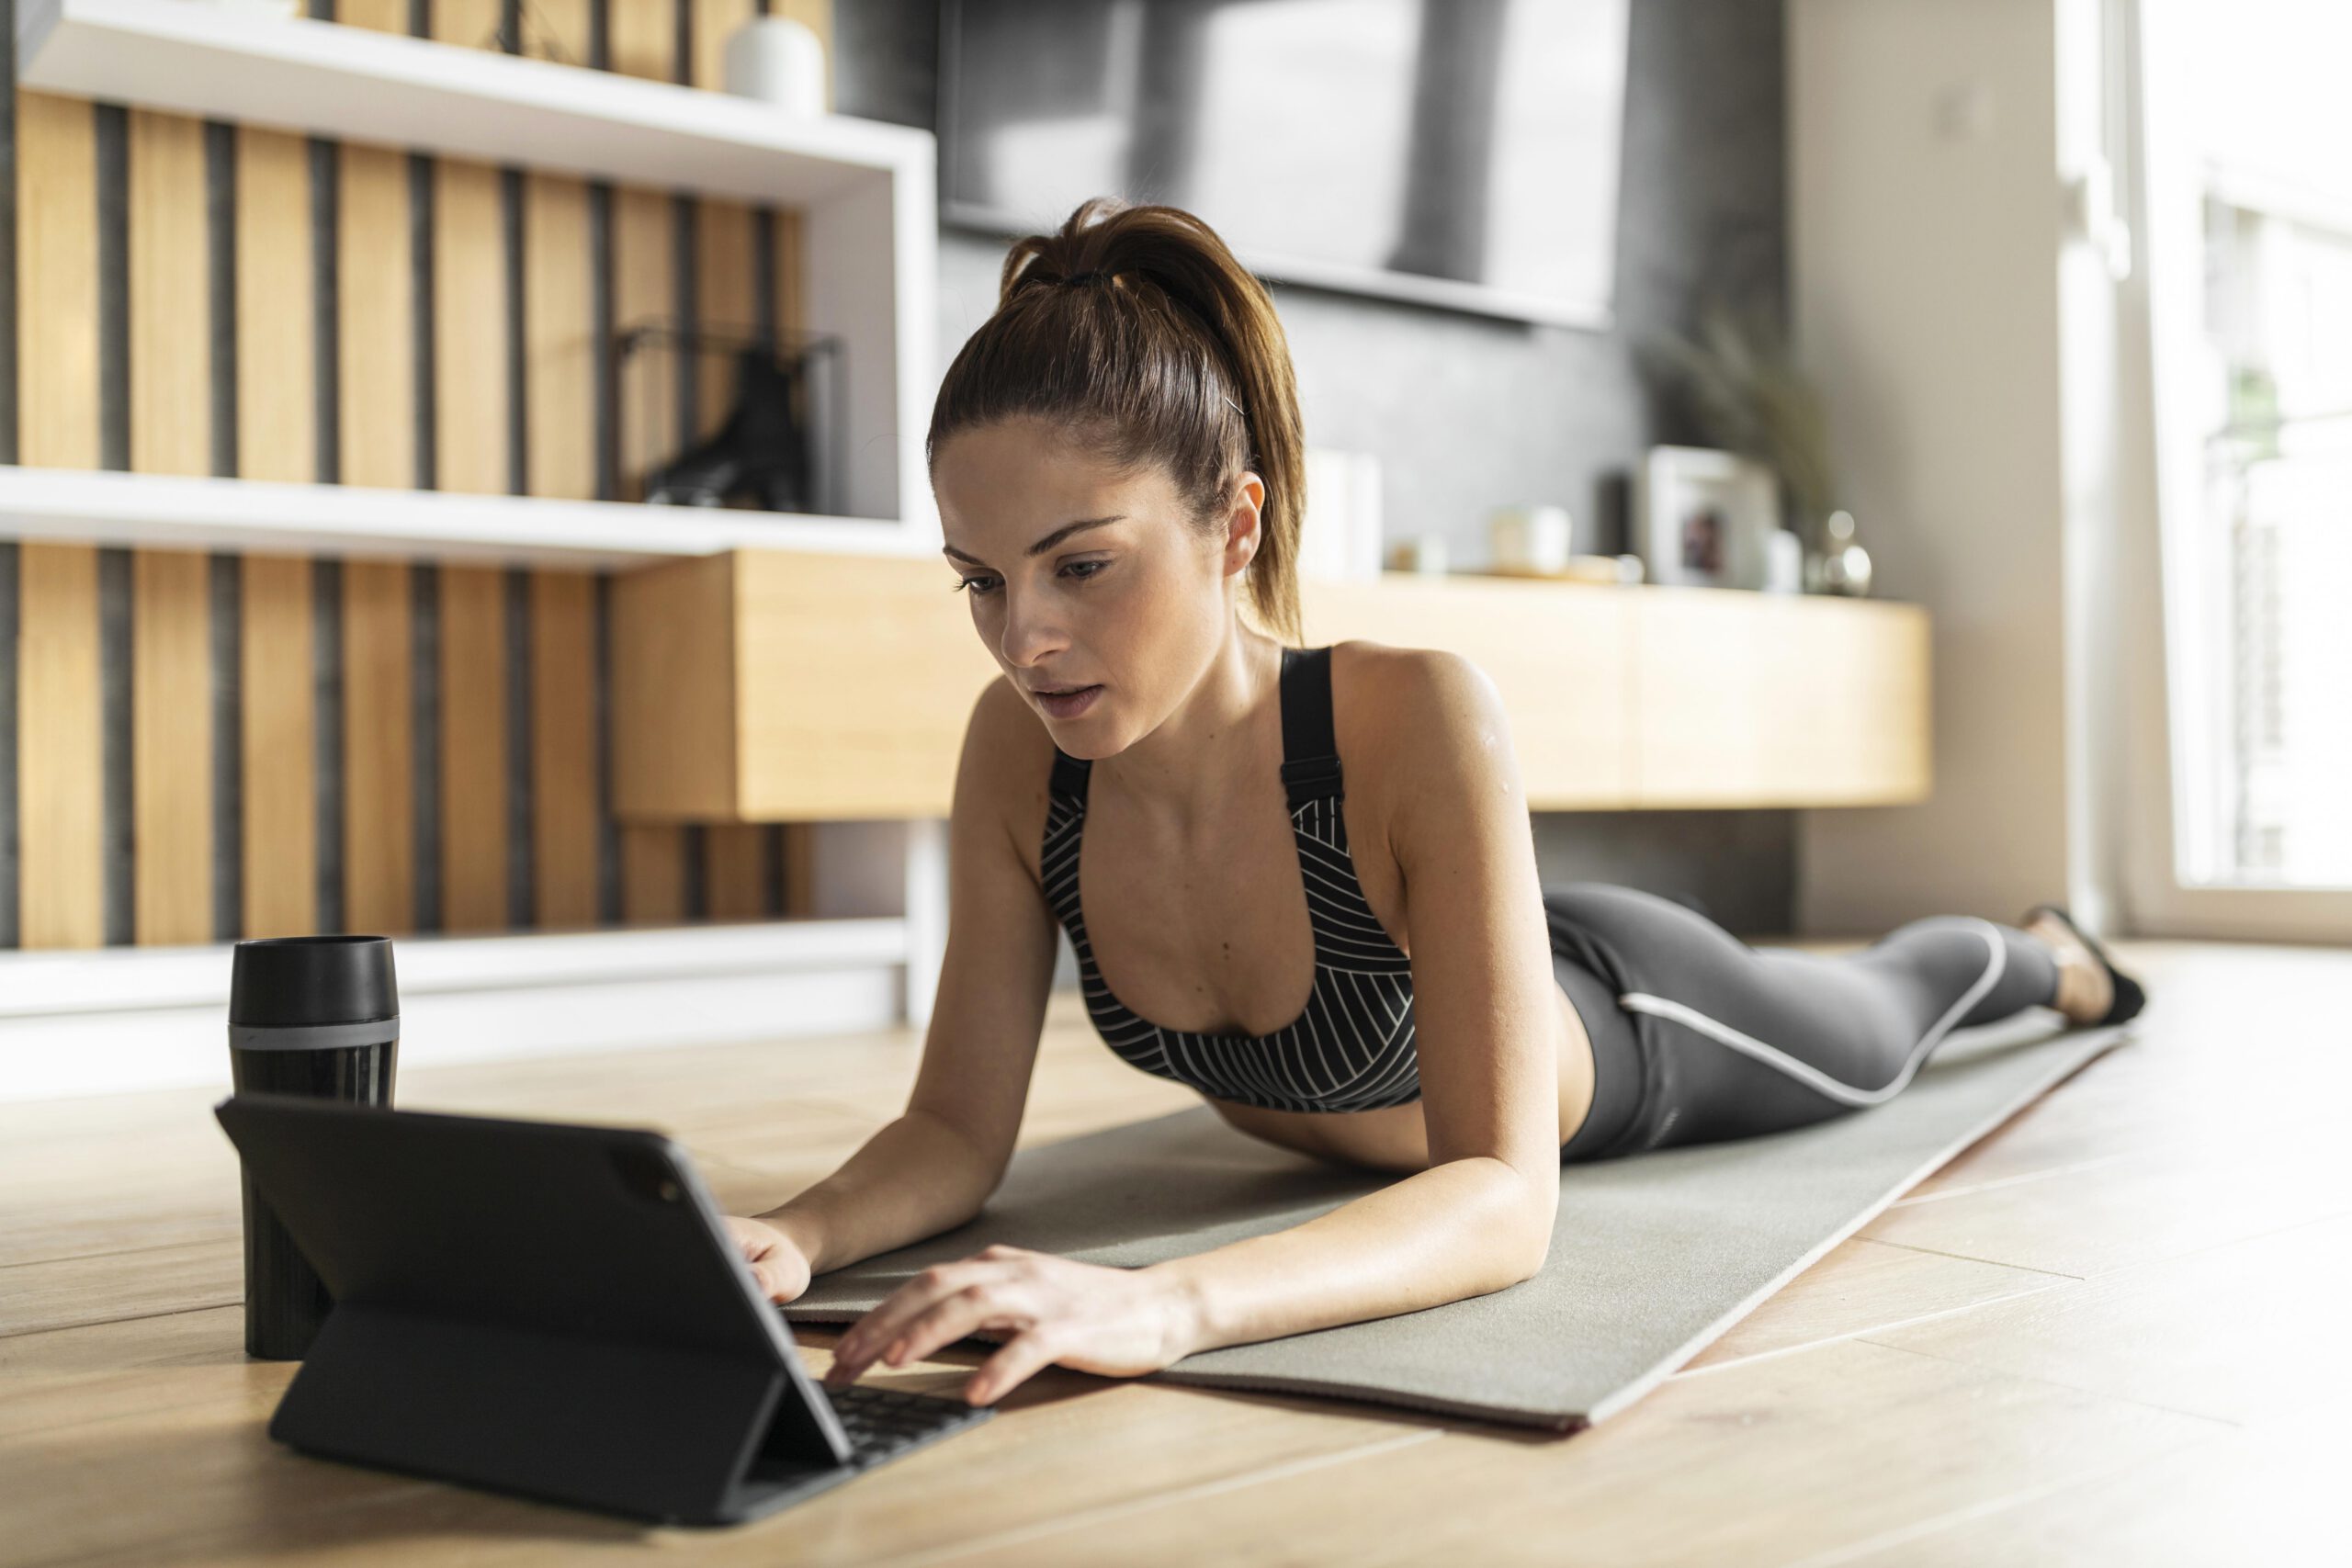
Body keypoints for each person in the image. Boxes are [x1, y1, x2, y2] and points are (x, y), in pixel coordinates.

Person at [721, 197, 2146, 1410]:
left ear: (1235, 525)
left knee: (1891, 1013)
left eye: (1079, 565)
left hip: (1633, 1021)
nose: (1023, 637)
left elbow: (1503, 1195)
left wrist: (1166, 1306)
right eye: (980, 579)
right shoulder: (1017, 757)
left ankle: (2044, 955)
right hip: (1450, 1007)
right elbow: (956, 1132)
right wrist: (796, 1234)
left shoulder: (1410, 718)